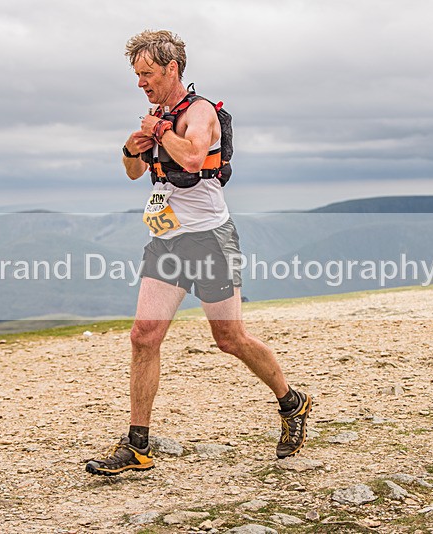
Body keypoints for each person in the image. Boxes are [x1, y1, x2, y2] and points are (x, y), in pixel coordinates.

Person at [85, 30, 311, 476]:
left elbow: (191, 159)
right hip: (167, 240)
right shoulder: (158, 116)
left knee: (230, 339)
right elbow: (133, 173)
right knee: (144, 336)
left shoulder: (200, 111)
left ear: (172, 69)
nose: (140, 83)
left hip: (210, 241)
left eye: (147, 73)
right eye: (136, 75)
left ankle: (292, 401)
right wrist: (131, 148)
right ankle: (137, 446)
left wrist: (160, 131)